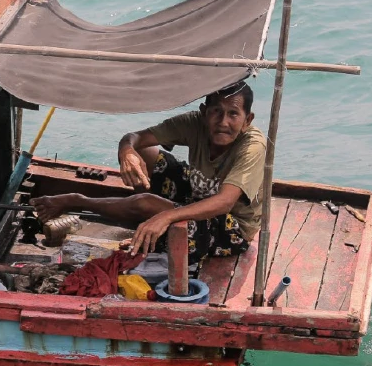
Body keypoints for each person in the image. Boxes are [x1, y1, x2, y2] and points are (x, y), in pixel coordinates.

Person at [30, 81, 266, 260]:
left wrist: (165, 216)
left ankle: (77, 201)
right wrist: (126, 150)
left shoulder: (252, 146)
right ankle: (149, 208)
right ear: (205, 112)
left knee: (145, 203)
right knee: (145, 151)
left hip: (231, 226)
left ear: (247, 119)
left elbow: (224, 203)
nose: (223, 121)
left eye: (233, 114)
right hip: (197, 191)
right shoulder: (195, 123)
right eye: (216, 111)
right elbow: (136, 138)